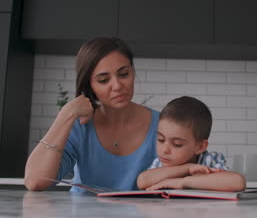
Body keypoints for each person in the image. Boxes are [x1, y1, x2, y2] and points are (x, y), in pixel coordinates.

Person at [24, 37, 159, 192]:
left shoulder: (162, 125)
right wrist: (66, 115)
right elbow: (35, 182)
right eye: (103, 80)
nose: (117, 85)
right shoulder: (80, 125)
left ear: (133, 72)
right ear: (89, 84)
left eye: (124, 74)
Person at [137, 96, 246, 192]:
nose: (164, 149)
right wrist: (188, 168)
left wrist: (182, 182)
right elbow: (142, 181)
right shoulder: (160, 164)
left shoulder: (208, 161)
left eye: (177, 144)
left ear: (200, 147)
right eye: (160, 139)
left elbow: (238, 182)